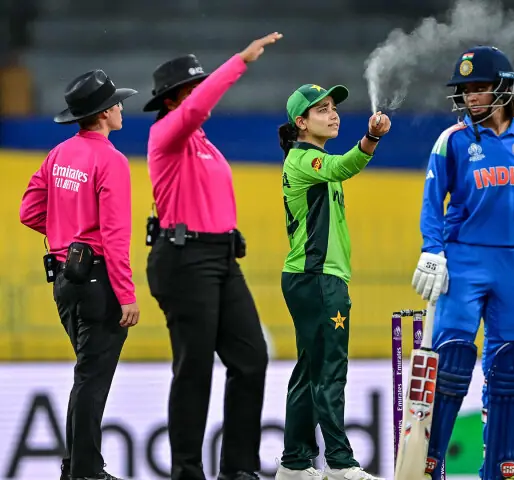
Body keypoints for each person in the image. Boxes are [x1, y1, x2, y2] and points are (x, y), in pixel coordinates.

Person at [411, 45, 514, 480]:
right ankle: (430, 465)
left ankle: (502, 469)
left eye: (480, 88)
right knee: (451, 361)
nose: (471, 97)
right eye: (466, 90)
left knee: (511, 370)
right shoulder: (452, 140)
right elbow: (432, 201)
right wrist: (432, 250)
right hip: (464, 259)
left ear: (503, 89)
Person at [142, 32, 282, 480]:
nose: (201, 93)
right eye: (192, 87)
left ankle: (239, 469)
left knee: (251, 358)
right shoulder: (166, 133)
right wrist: (240, 60)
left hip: (221, 258)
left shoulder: (202, 142)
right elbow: (197, 108)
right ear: (171, 100)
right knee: (195, 368)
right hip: (184, 260)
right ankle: (186, 472)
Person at [19, 70, 140, 480]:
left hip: (64, 280)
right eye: (116, 103)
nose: (121, 107)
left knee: (86, 375)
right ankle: (86, 471)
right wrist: (126, 293)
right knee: (91, 379)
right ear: (104, 113)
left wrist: (65, 233)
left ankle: (77, 467)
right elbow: (115, 235)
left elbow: (29, 211)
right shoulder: (112, 160)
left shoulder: (58, 154)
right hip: (98, 281)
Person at [274, 84, 391, 480]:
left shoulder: (310, 160)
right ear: (301, 122)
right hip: (318, 279)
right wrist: (371, 137)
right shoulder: (305, 159)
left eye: (334, 107)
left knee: (310, 371)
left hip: (310, 278)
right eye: (321, 109)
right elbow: (344, 166)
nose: (333, 114)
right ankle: (340, 463)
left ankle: (294, 463)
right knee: (329, 370)